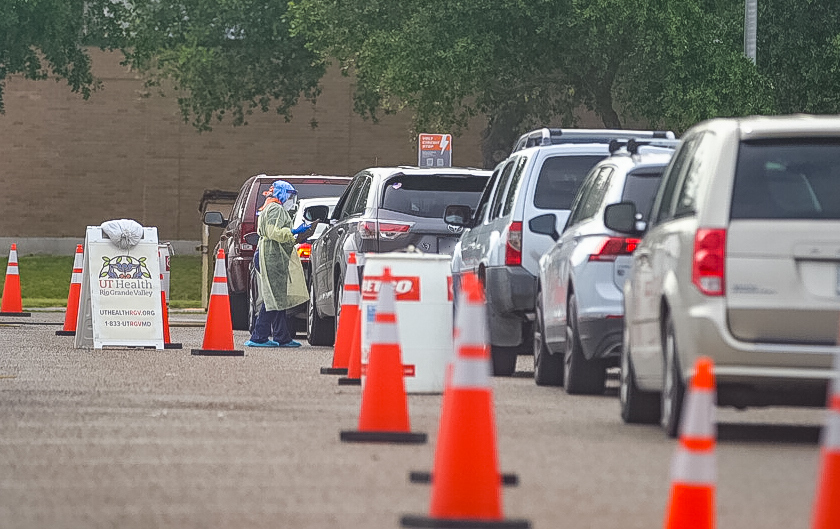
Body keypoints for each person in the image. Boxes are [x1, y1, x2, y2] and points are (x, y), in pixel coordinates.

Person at [244, 180, 310, 347]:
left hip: (272, 255)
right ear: (281, 193)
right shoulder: (275, 209)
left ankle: (282, 336)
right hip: (271, 256)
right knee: (273, 298)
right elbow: (274, 233)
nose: (291, 199)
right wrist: (293, 231)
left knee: (277, 298)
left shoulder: (270, 207)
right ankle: (258, 337)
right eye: (289, 195)